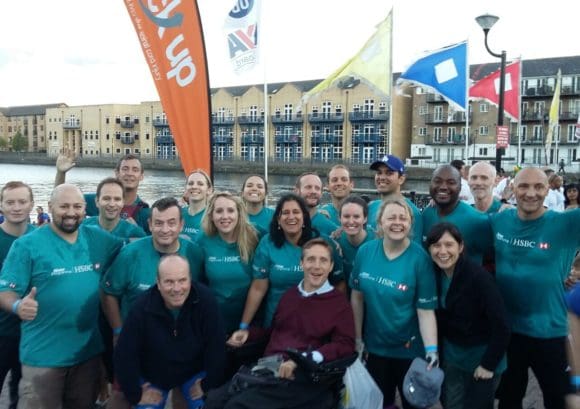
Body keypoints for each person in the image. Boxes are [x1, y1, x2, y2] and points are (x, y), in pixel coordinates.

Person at [0, 184, 123, 409]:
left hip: (86, 354)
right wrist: (18, 305)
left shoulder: (97, 239)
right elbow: (5, 290)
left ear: (85, 209)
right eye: (63, 206)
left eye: (77, 206)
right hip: (43, 357)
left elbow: (128, 250)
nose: (70, 212)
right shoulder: (27, 245)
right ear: (50, 207)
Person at [205, 238, 355, 409]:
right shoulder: (290, 296)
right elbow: (275, 332)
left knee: (237, 406)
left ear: (330, 266)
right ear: (302, 263)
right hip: (269, 366)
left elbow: (345, 345)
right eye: (311, 259)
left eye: (323, 260)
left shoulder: (338, 304)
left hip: (303, 376)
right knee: (214, 401)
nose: (316, 266)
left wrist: (304, 360)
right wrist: (248, 334)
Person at [101, 197, 203, 408]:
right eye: (158, 223)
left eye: (171, 222)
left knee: (185, 396)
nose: (165, 229)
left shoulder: (193, 253)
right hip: (136, 344)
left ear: (181, 225)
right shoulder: (130, 254)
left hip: (180, 344)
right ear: (149, 224)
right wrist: (118, 330)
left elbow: (201, 295)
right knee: (123, 397)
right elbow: (108, 292)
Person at [491, 167, 580, 409]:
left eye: (538, 187)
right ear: (513, 189)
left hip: (550, 332)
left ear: (548, 189)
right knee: (508, 399)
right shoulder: (499, 220)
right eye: (523, 186)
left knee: (558, 400)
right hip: (509, 332)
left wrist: (575, 272)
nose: (531, 193)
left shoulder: (564, 223)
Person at [351, 197, 438, 409]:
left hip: (409, 350)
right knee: (381, 403)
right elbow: (357, 297)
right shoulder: (365, 252)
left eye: (403, 218)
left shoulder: (420, 258)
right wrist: (358, 338)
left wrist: (431, 349)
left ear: (410, 223)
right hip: (376, 348)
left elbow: (425, 310)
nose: (397, 222)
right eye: (391, 218)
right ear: (380, 222)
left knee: (414, 404)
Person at [114, 254, 226, 409]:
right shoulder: (142, 308)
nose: (177, 288)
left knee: (210, 404)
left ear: (190, 278)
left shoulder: (205, 300)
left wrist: (207, 384)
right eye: (169, 282)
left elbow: (217, 346)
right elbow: (125, 354)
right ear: (158, 283)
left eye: (182, 280)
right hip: (154, 376)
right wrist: (136, 394)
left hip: (194, 373)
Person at [426, 222, 510, 409]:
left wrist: (488, 365)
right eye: (436, 245)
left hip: (482, 356)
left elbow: (502, 325)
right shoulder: (434, 274)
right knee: (451, 404)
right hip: (452, 357)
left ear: (461, 247)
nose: (442, 251)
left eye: (449, 245)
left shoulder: (479, 278)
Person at [239, 193, 344, 330]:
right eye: (285, 213)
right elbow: (258, 288)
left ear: (304, 217)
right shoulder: (268, 243)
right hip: (276, 324)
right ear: (278, 218)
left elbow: (339, 284)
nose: (291, 217)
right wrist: (244, 325)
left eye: (296, 212)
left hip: (315, 325)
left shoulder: (323, 243)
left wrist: (331, 318)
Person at [199, 192, 259, 335]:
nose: (225, 216)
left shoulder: (255, 237)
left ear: (239, 214)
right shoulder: (202, 241)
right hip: (214, 319)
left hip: (251, 321)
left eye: (231, 210)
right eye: (219, 211)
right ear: (211, 216)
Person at [0, 181, 36, 409]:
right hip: (1, 331)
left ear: (32, 205)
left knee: (20, 391)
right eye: (10, 202)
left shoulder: (40, 237)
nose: (16, 207)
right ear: (1, 206)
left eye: (22, 202)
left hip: (30, 333)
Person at [55, 150, 151, 233]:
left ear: (141, 176)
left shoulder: (145, 212)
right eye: (125, 169)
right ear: (117, 173)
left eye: (135, 170)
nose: (130, 173)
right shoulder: (100, 200)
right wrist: (61, 173)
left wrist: (136, 232)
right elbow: (61, 199)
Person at [422, 164, 492, 266]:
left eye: (451, 182)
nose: (443, 187)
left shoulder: (478, 221)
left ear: (460, 187)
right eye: (437, 181)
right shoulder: (426, 214)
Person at [366, 154, 422, 242]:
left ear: (401, 179)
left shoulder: (411, 211)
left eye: (389, 173)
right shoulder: (371, 207)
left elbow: (414, 249)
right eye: (379, 173)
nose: (382, 177)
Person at [83, 177, 146, 242]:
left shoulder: (136, 233)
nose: (112, 204)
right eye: (106, 198)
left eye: (117, 199)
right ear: (97, 201)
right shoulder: (82, 227)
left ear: (123, 202)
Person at [335, 195, 374, 290]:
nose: (351, 221)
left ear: (365, 219)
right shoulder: (335, 241)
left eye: (356, 216)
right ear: (339, 218)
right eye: (346, 216)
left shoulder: (377, 241)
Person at [182, 169, 214, 241]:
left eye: (200, 184)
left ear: (209, 190)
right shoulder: (178, 214)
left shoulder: (213, 217)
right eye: (190, 183)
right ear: (186, 188)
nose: (194, 187)